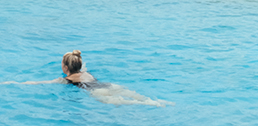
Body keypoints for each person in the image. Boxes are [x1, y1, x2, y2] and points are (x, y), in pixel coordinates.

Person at [2, 50, 168, 106]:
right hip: (108, 85)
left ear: (65, 68)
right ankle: (156, 100)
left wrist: (11, 82)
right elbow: (83, 65)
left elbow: (37, 82)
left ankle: (151, 104)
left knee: (127, 102)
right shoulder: (85, 72)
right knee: (135, 95)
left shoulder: (66, 79)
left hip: (96, 92)